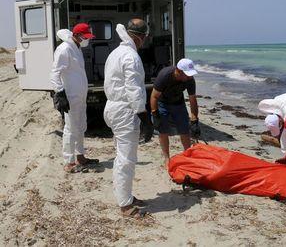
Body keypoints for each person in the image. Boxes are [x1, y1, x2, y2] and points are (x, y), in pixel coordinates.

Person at [103, 19, 153, 217]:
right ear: (139, 37)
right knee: (126, 159)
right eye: (145, 37)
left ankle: (126, 195)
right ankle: (125, 204)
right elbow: (133, 89)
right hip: (125, 110)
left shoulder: (116, 53)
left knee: (121, 156)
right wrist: (144, 117)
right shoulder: (131, 56)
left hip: (113, 107)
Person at [50, 23, 99, 173]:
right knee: (70, 129)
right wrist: (60, 93)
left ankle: (80, 156)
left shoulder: (76, 47)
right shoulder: (64, 49)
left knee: (80, 126)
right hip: (70, 97)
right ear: (77, 35)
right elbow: (55, 73)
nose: (87, 40)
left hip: (80, 96)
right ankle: (68, 162)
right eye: (85, 37)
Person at [150, 58, 199, 167]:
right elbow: (154, 96)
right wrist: (155, 114)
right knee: (163, 131)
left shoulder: (190, 79)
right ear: (178, 71)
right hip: (162, 103)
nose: (189, 77)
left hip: (178, 103)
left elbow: (192, 99)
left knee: (184, 129)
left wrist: (195, 119)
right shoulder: (164, 76)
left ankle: (188, 154)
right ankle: (167, 158)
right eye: (187, 74)